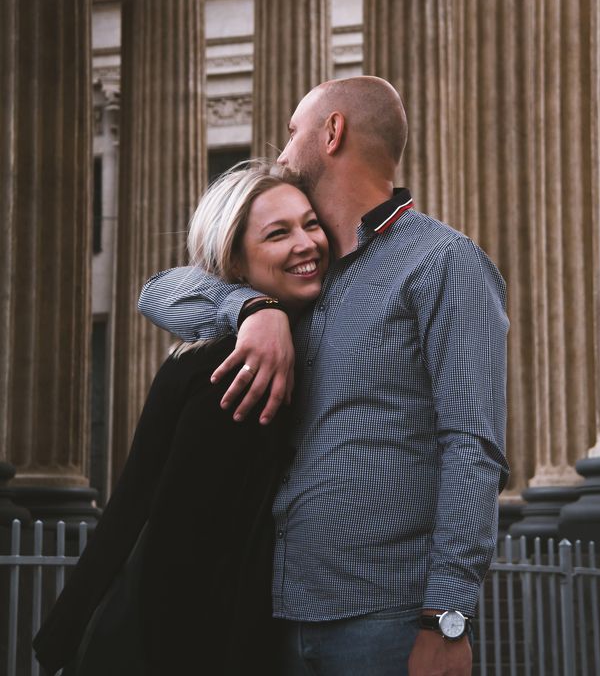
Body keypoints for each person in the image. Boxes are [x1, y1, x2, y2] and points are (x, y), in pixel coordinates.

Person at [139, 76, 509, 676]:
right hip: (273, 618)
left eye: (292, 133)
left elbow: (473, 446)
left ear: (331, 132)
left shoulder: (444, 263)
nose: (282, 154)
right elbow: (161, 291)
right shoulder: (304, 274)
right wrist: (252, 310)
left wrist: (448, 616)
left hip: (386, 619)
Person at [33, 163, 329, 676]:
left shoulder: (223, 347)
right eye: (278, 234)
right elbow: (183, 545)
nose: (306, 243)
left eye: (311, 223)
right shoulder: (237, 369)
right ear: (234, 262)